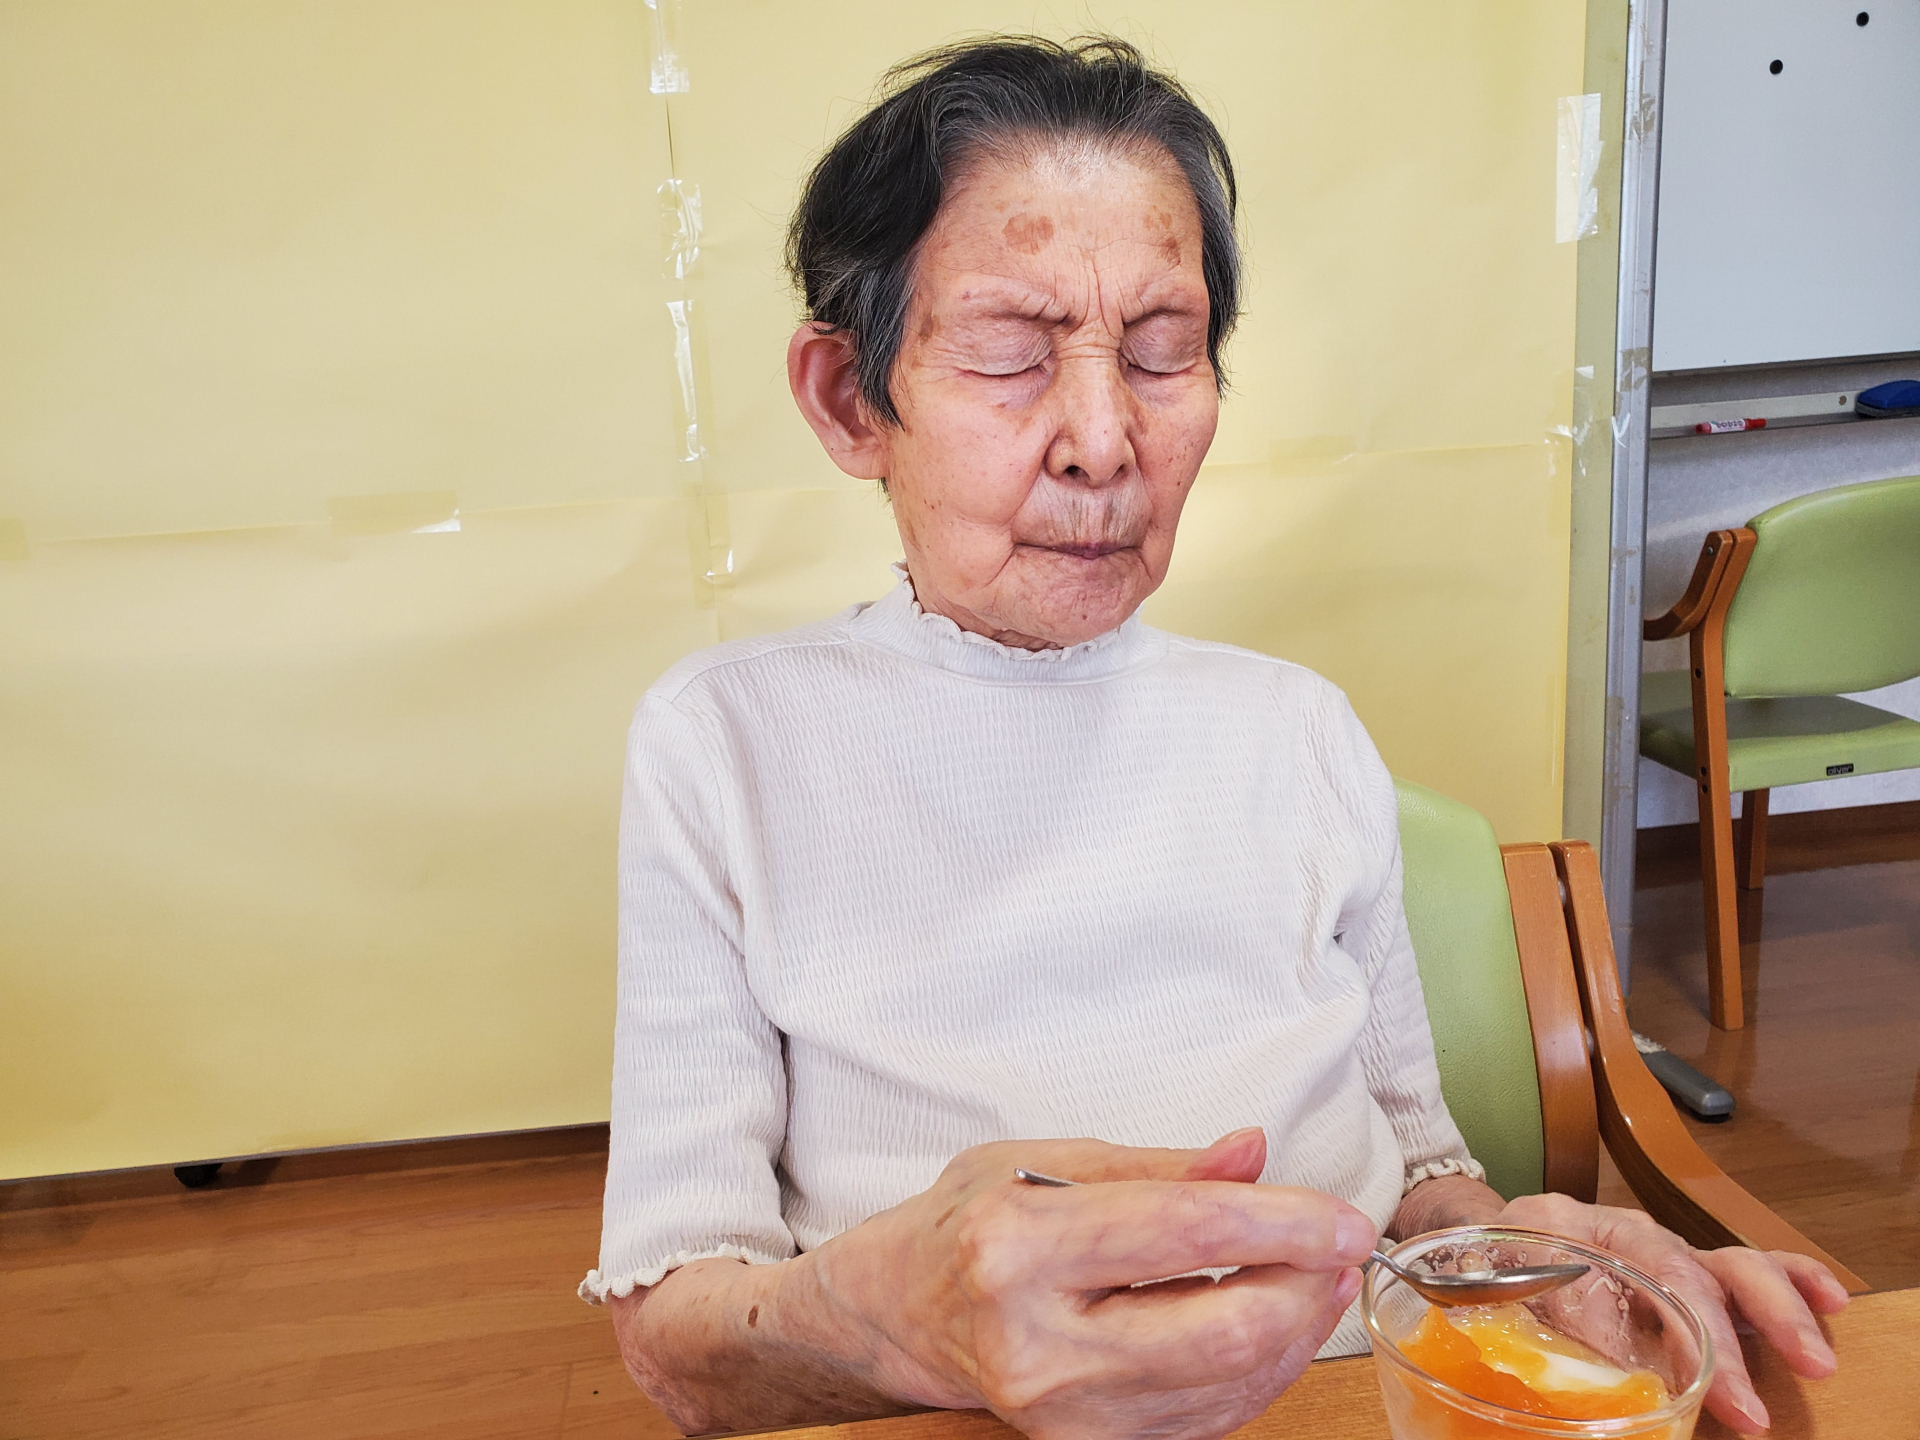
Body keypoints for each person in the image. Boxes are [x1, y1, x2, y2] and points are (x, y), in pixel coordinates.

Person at [581, 36, 1845, 1440]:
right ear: (848, 398)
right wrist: (895, 1322)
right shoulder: (727, 744)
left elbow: (1420, 1171)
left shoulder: (1296, 727)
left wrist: (1514, 1250)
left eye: (1161, 352)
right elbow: (678, 1335)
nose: (1102, 438)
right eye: (1009, 351)